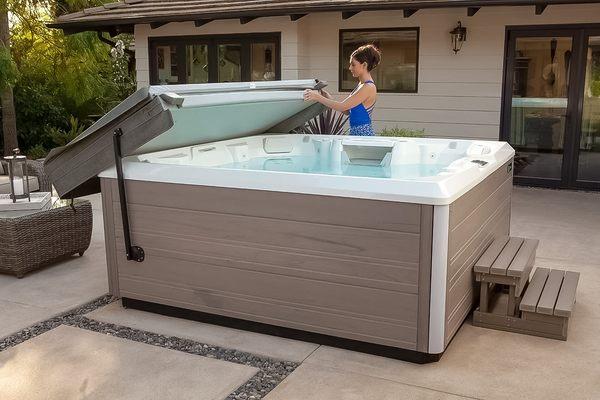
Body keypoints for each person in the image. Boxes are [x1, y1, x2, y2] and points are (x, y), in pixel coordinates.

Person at [304, 44, 381, 136]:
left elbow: (342, 106)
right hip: (356, 135)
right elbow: (347, 111)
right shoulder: (361, 85)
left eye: (353, 65)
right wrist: (329, 98)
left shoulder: (368, 87)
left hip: (363, 137)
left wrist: (317, 97)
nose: (350, 68)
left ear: (364, 65)